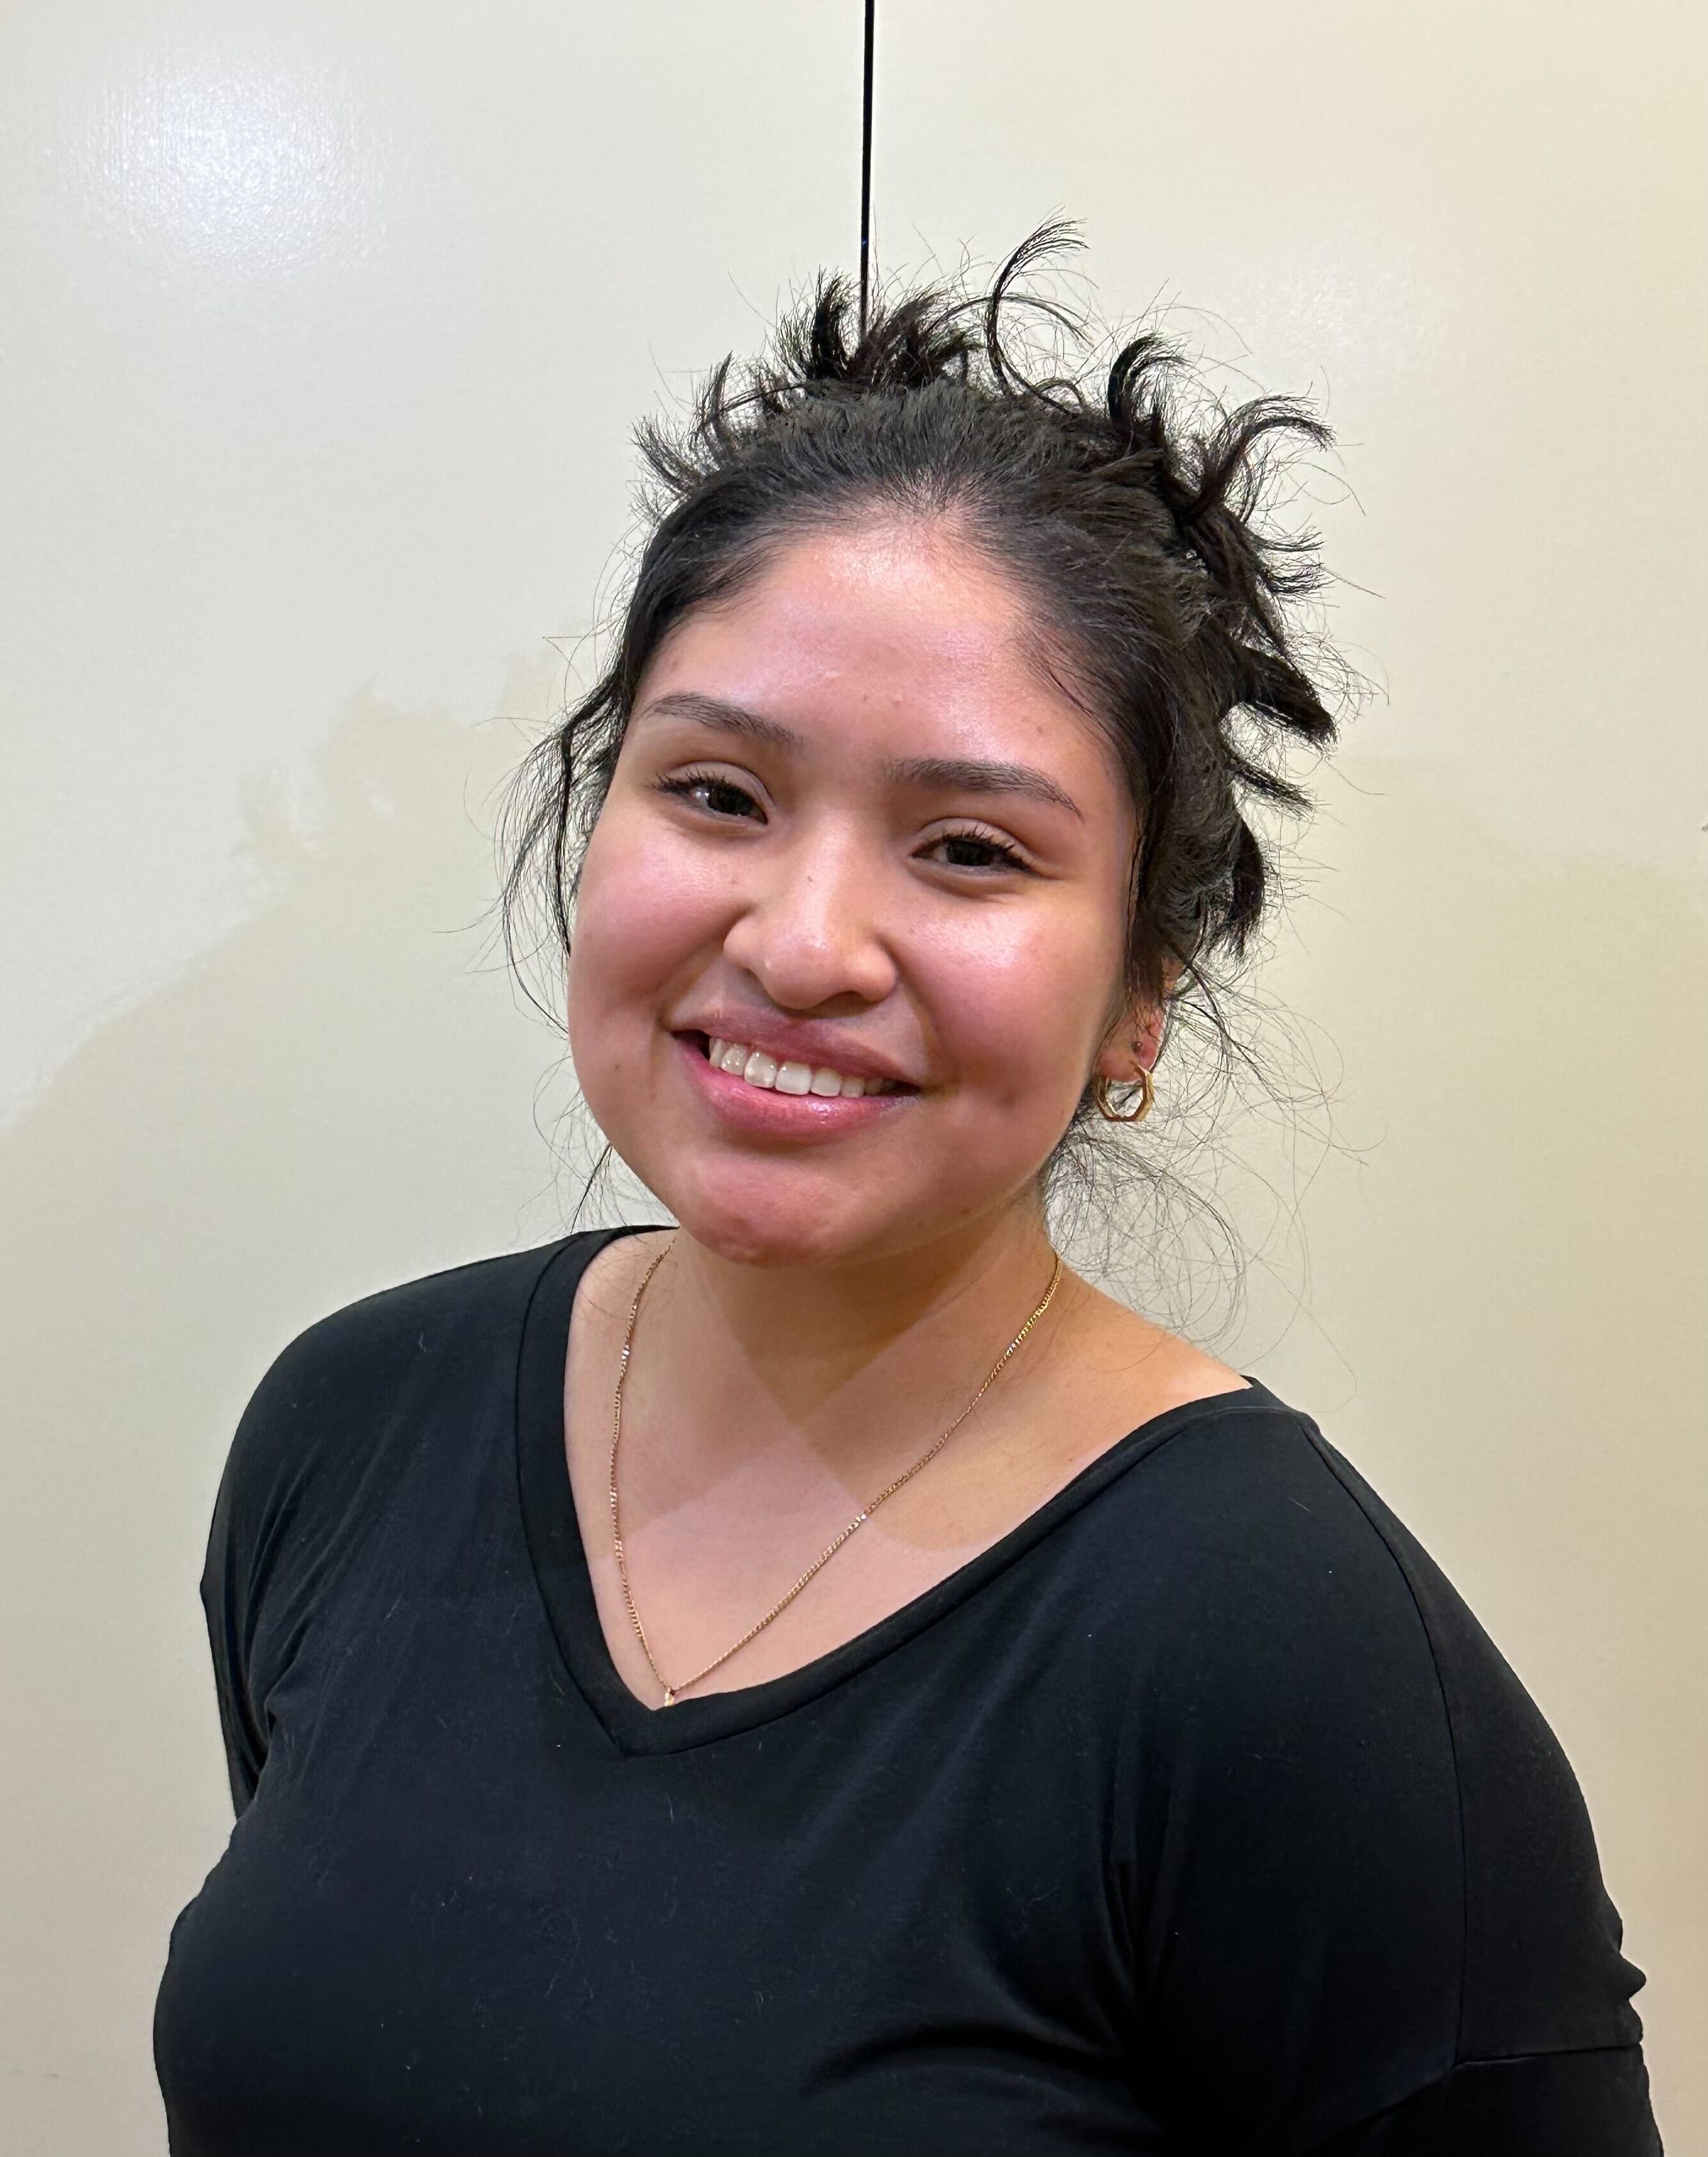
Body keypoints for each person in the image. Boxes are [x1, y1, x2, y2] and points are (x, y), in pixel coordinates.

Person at [152, 229, 1663, 2154]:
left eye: (965, 848)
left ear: (1136, 997)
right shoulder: (346, 1428)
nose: (800, 943)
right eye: (715, 795)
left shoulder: (1290, 1665)